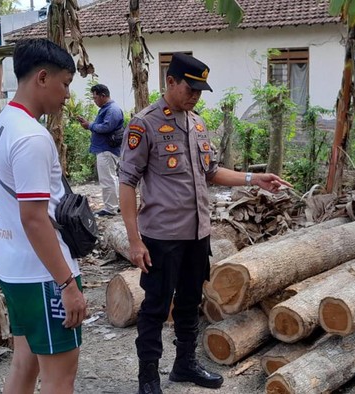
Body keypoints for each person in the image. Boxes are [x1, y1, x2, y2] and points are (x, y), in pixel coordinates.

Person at [118, 52, 292, 394]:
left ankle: (184, 365)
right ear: (170, 82)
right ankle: (148, 379)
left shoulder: (196, 123)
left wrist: (253, 178)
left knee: (188, 303)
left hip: (197, 235)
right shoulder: (144, 124)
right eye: (190, 88)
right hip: (161, 237)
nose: (196, 95)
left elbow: (211, 172)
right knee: (154, 308)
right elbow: (126, 182)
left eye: (200, 90)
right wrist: (134, 240)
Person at [0, 38, 87, 394]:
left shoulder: (1, 125)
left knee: (24, 364)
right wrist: (67, 285)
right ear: (42, 78)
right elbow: (35, 218)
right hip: (44, 276)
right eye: (65, 84)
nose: (67, 95)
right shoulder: (31, 137)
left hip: (14, 269)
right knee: (59, 378)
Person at [77, 84, 124, 217]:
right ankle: (114, 205)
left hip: (107, 150)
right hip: (106, 149)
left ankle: (111, 209)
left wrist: (89, 125)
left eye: (95, 97)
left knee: (107, 179)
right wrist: (89, 124)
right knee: (111, 179)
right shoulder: (107, 109)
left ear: (103, 96)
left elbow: (106, 127)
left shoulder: (112, 110)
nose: (94, 100)